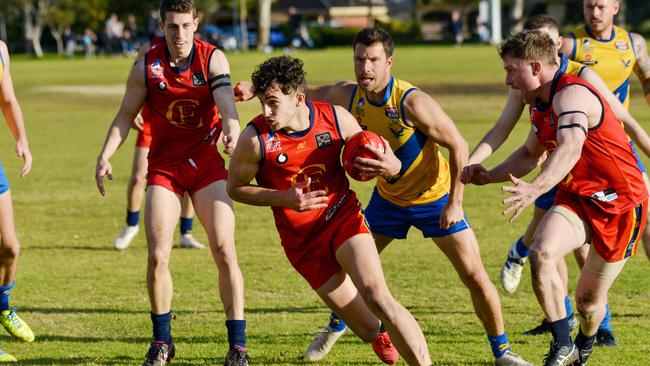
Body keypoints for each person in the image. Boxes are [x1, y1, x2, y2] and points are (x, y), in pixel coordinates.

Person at [235, 27, 531, 366]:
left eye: (373, 60)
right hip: (388, 202)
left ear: (388, 62)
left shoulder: (411, 101)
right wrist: (255, 87)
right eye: (359, 59)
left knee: (473, 275)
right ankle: (343, 323)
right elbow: (301, 91)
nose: (365, 68)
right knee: (359, 281)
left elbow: (458, 144)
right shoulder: (348, 96)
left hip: (432, 198)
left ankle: (503, 352)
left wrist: (455, 202)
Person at [228, 54, 431, 366]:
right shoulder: (255, 140)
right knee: (366, 329)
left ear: (298, 98)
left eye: (272, 102)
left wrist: (390, 165)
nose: (266, 112)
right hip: (303, 244)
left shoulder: (335, 119)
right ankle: (383, 331)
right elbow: (235, 188)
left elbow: (379, 154)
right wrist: (283, 198)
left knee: (378, 296)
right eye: (262, 103)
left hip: (342, 218)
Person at [461, 14, 650, 344]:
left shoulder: (578, 83)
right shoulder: (531, 94)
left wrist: (534, 187)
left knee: (588, 296)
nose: (507, 80)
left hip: (613, 187)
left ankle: (591, 330)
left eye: (510, 70)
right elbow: (519, 144)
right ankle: (563, 341)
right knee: (545, 250)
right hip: (570, 185)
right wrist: (482, 171)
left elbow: (598, 134)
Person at [94, 1, 248, 365]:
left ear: (196, 23)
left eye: (185, 26)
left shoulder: (213, 59)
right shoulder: (146, 65)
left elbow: (227, 103)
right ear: (161, 26)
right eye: (171, 27)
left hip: (207, 166)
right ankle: (162, 341)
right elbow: (124, 115)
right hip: (164, 168)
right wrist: (105, 155)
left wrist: (231, 129)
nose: (179, 34)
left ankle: (238, 347)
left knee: (225, 249)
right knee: (158, 254)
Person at [560, 0, 650, 262]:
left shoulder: (633, 43)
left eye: (600, 6)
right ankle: (520, 251)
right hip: (580, 147)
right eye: (589, 7)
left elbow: (646, 77)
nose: (594, 13)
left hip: (620, 143)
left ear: (616, 7)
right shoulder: (570, 44)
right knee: (568, 224)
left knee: (646, 211)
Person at [113, 37, 205, 251]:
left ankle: (186, 232)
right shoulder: (149, 48)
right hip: (151, 121)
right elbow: (133, 79)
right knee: (138, 177)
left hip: (184, 123)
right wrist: (132, 108)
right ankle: (131, 225)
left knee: (191, 178)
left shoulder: (198, 48)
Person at [0, 40, 35, 363]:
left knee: (10, 247)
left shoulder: (0, 49)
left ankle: (3, 308)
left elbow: (8, 100)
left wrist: (21, 138)